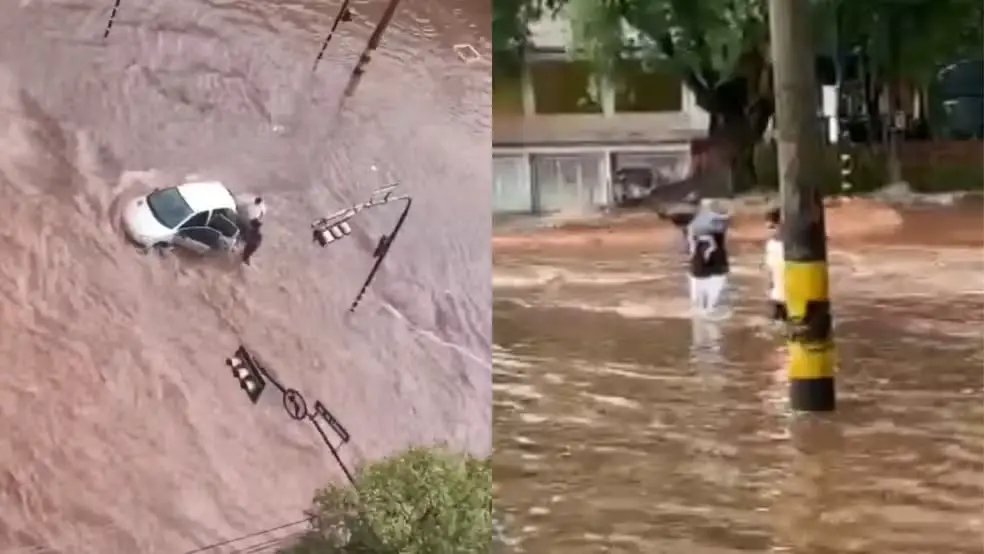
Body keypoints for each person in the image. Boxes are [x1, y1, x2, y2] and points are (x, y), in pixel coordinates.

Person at [687, 198, 731, 316]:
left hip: (701, 260)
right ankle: (709, 309)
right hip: (714, 260)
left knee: (699, 302)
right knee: (711, 299)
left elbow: (691, 238)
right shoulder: (721, 219)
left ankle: (705, 310)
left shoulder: (693, 221)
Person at [764, 207, 787, 322]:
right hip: (777, 295)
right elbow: (770, 270)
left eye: (773, 227)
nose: (771, 231)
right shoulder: (771, 244)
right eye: (769, 228)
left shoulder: (792, 246)